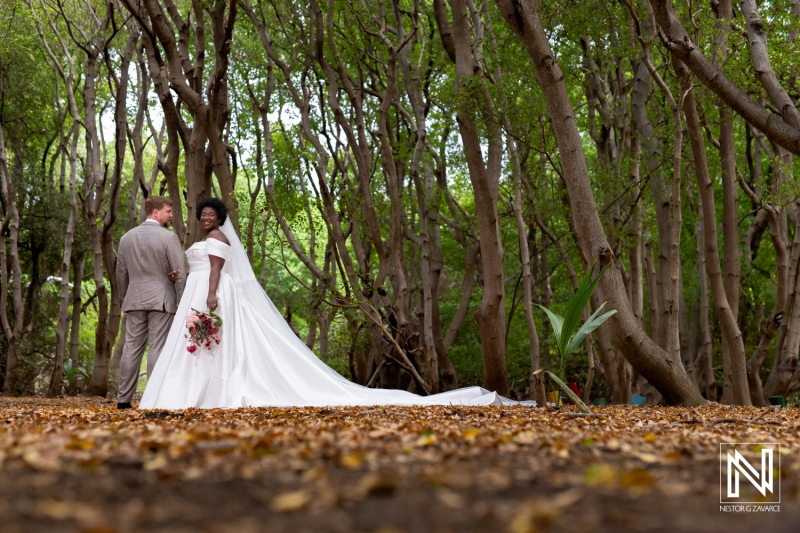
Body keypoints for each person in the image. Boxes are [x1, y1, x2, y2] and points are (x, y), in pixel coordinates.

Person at [140, 198, 529, 409]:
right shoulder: (198, 236)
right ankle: (186, 393)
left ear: (220, 218)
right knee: (196, 346)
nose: (207, 217)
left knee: (215, 345)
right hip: (191, 289)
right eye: (203, 214)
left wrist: (210, 295)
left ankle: (209, 392)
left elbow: (214, 269)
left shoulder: (220, 241)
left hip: (209, 292)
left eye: (212, 214)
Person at [116, 195, 185, 410]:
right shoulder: (169, 238)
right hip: (161, 300)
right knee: (157, 347)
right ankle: (153, 399)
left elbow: (120, 272)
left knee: (131, 348)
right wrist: (182, 302)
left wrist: (124, 299)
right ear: (155, 212)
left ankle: (123, 401)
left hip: (134, 298)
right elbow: (179, 274)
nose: (170, 215)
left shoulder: (126, 238)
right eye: (168, 211)